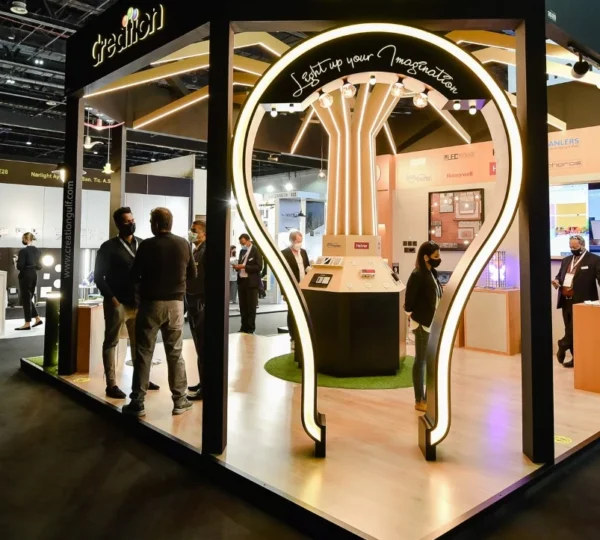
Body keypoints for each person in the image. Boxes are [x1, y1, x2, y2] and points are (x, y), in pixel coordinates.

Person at [123, 208, 196, 417]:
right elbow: (193, 273)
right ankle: (180, 400)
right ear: (170, 223)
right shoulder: (183, 244)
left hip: (150, 304)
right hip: (176, 304)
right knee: (175, 353)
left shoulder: (146, 245)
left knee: (144, 352)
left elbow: (134, 275)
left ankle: (137, 402)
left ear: (155, 224)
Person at [94, 207, 159, 399]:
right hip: (118, 302)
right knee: (111, 342)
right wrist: (112, 299)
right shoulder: (108, 247)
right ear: (118, 224)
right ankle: (111, 384)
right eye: (127, 221)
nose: (131, 224)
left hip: (139, 302)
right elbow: (99, 277)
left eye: (133, 220)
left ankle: (142, 379)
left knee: (139, 343)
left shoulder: (143, 244)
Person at [404, 241, 443, 413]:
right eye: (436, 256)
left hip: (432, 322)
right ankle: (419, 399)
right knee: (420, 361)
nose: (439, 258)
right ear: (426, 257)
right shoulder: (417, 274)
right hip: (422, 323)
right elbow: (409, 301)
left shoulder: (432, 272)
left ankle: (428, 397)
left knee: (429, 360)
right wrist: (410, 314)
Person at [552, 235, 600, 368]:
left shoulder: (594, 260)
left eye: (575, 247)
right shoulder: (566, 260)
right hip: (566, 301)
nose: (573, 249)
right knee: (569, 329)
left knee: (577, 330)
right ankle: (575, 359)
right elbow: (560, 276)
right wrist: (556, 281)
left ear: (582, 245)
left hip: (583, 303)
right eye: (571, 247)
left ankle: (563, 344)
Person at [186, 220, 206, 400]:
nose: (191, 233)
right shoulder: (196, 250)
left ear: (204, 234)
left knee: (203, 345)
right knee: (199, 346)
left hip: (201, 302)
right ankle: (202, 382)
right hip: (193, 302)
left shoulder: (206, 251)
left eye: (194, 230)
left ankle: (206, 387)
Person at [281, 230, 310, 351]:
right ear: (292, 241)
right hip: (292, 287)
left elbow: (306, 266)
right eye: (298, 241)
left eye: (301, 241)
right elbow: (283, 274)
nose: (299, 243)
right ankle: (292, 337)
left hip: (304, 286)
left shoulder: (303, 252)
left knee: (304, 312)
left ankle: (301, 336)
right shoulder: (284, 253)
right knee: (292, 312)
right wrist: (284, 292)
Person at [233, 233, 263, 334]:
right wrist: (237, 267)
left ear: (248, 240)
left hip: (252, 283)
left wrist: (245, 267)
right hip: (242, 282)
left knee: (251, 307)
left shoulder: (256, 251)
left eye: (243, 242)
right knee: (243, 307)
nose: (242, 245)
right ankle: (243, 327)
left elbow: (259, 267)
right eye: (241, 243)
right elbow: (241, 263)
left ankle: (250, 328)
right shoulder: (242, 251)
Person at [15, 232, 42, 331]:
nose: (22, 240)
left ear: (26, 239)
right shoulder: (38, 251)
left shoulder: (23, 251)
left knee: (26, 299)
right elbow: (40, 266)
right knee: (28, 298)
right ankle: (37, 319)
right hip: (34, 275)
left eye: (23, 238)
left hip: (25, 275)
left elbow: (20, 266)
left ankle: (27, 323)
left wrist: (16, 261)